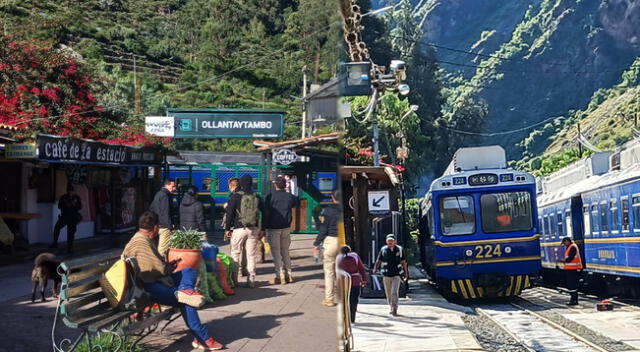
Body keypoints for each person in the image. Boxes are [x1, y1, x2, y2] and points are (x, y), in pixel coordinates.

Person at [122, 211, 223, 350]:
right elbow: (154, 269)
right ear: (156, 227)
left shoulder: (142, 238)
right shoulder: (140, 242)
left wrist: (169, 267)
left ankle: (185, 291)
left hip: (156, 280)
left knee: (189, 271)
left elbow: (157, 267)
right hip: (148, 288)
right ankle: (202, 338)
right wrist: (166, 268)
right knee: (186, 302)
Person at [224, 174, 264, 288]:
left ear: (241, 183)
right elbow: (265, 212)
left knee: (235, 254)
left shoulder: (236, 196)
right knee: (251, 255)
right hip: (253, 229)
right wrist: (263, 228)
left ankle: (234, 280)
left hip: (238, 229)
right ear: (251, 183)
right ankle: (251, 280)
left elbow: (230, 213)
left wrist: (227, 229)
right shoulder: (257, 196)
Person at [264, 176, 299, 284]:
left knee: (276, 253)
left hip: (273, 228)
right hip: (286, 227)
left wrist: (263, 227)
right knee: (285, 251)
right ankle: (289, 275)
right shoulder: (290, 197)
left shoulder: (270, 197)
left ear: (275, 185)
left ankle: (280, 276)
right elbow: (295, 203)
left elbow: (266, 213)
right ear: (285, 185)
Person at [314, 190, 341, 307]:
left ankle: (329, 299)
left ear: (332, 197)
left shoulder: (328, 211)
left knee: (329, 272)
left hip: (331, 241)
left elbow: (323, 229)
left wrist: (317, 243)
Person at [372, 234, 408, 316]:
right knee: (388, 292)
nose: (390, 243)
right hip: (386, 274)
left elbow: (403, 262)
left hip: (397, 274)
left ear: (395, 242)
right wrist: (375, 269)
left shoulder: (399, 249)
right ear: (386, 242)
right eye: (389, 241)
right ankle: (391, 305)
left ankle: (394, 307)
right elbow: (379, 260)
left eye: (392, 241)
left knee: (394, 291)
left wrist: (406, 273)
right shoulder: (383, 250)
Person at [338, 245, 367, 323]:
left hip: (343, 282)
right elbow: (361, 268)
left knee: (344, 300)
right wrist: (364, 279)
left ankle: (344, 317)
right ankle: (352, 318)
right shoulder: (355, 256)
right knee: (354, 300)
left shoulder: (338, 258)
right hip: (355, 281)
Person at [51, 185, 82, 253]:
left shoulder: (76, 198)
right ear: (67, 191)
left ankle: (70, 248)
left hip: (73, 218)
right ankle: (55, 243)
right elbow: (59, 206)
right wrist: (65, 204)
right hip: (64, 217)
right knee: (57, 228)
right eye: (69, 191)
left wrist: (74, 204)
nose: (70, 192)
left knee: (70, 233)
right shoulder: (64, 197)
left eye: (72, 191)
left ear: (74, 191)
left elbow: (79, 207)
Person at [150, 179, 176, 258]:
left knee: (157, 246)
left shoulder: (158, 194)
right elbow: (165, 212)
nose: (174, 188)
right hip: (164, 226)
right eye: (173, 186)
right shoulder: (165, 196)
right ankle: (161, 266)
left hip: (157, 224)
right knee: (163, 248)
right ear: (167, 185)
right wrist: (169, 226)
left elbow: (152, 208)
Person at [561, 236, 582, 305]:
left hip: (573, 269)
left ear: (567, 241)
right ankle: (573, 299)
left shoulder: (572, 247)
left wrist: (564, 261)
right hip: (571, 269)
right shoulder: (571, 247)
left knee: (572, 285)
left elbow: (571, 258)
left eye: (564, 243)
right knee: (571, 285)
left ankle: (574, 300)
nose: (564, 244)